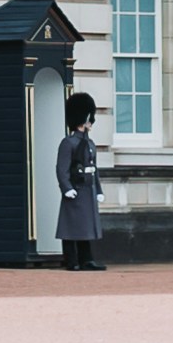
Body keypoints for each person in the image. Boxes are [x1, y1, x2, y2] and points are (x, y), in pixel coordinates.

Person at [54, 89, 108, 272]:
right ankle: (71, 259)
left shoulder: (90, 144)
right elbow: (61, 169)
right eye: (89, 117)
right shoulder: (68, 143)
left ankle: (87, 259)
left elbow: (94, 169)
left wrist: (99, 190)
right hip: (76, 188)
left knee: (86, 227)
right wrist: (66, 188)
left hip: (88, 188)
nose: (91, 122)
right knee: (70, 226)